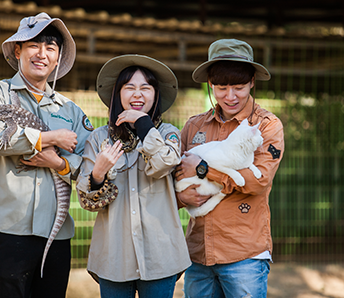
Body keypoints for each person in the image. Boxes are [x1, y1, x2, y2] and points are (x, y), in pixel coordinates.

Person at [0, 12, 93, 297]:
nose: (42, 53)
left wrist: (60, 163)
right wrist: (50, 138)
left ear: (57, 57)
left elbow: (90, 164)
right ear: (18, 51)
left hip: (57, 234)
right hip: (8, 230)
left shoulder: (71, 110)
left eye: (50, 47)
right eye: (33, 45)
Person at [175, 39, 284, 297]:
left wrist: (203, 170)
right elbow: (173, 177)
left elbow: (258, 181)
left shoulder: (266, 126)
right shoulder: (194, 126)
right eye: (222, 87)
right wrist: (180, 197)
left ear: (252, 82)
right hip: (198, 255)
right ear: (210, 85)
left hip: (244, 256)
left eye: (239, 87)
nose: (230, 96)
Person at [76, 54, 191, 298]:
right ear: (117, 94)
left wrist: (143, 124)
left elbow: (162, 164)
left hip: (160, 257)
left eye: (145, 88)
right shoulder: (98, 139)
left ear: (155, 95)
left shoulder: (168, 133)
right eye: (129, 88)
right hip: (113, 258)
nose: (137, 94)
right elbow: (86, 200)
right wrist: (98, 172)